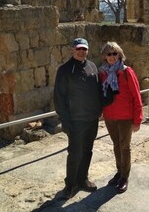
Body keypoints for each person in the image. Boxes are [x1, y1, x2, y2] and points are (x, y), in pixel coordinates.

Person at [54, 37, 102, 199]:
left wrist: (100, 108)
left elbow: (98, 90)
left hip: (91, 119)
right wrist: (65, 120)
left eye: (84, 49)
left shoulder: (92, 66)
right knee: (75, 153)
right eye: (78, 49)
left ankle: (83, 179)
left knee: (87, 150)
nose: (81, 52)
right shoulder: (65, 70)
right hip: (75, 120)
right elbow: (59, 97)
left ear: (87, 50)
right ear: (72, 50)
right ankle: (70, 184)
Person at [98, 41, 143, 194]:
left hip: (125, 116)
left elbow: (136, 96)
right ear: (105, 56)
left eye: (114, 53)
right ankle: (119, 172)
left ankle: (125, 177)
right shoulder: (102, 73)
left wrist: (138, 119)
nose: (111, 56)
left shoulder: (126, 72)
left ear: (119, 54)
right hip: (110, 115)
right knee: (116, 146)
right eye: (108, 54)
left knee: (125, 147)